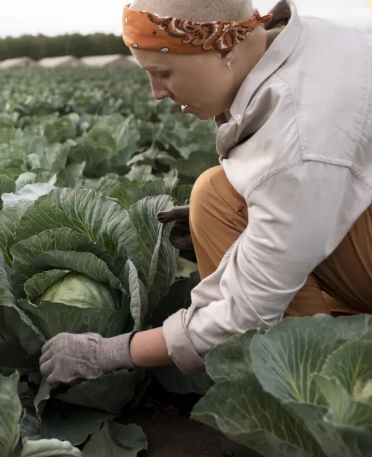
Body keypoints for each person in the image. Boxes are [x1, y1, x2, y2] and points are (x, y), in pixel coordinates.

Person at [41, 0, 372, 387]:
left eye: (162, 72)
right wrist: (247, 208)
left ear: (224, 47)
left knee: (218, 202)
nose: (157, 92)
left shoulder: (299, 138)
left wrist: (113, 351)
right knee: (216, 195)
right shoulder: (319, 33)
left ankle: (326, 387)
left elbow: (246, 309)